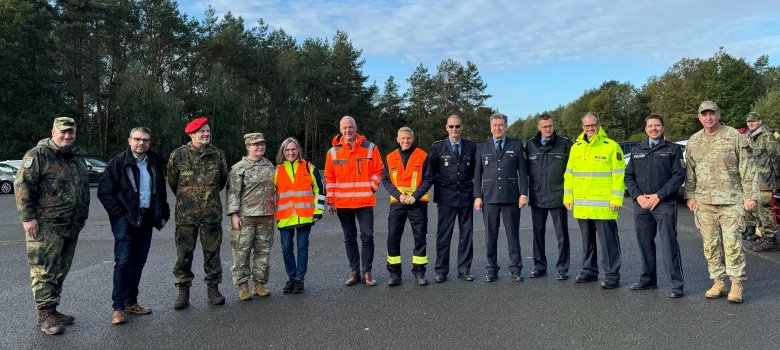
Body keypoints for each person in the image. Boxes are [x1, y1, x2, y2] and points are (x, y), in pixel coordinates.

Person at [15, 117, 90, 335]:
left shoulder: (75, 157)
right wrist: (27, 218)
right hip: (46, 225)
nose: (67, 136)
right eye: (63, 132)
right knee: (43, 270)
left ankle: (52, 309)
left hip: (71, 225)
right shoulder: (38, 155)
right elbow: (22, 186)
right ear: (53, 132)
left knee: (60, 270)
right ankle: (45, 315)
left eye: (71, 132)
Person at [685, 101, 759, 303]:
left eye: (712, 113)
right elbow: (690, 172)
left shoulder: (733, 136)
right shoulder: (694, 141)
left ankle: (736, 284)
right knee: (710, 245)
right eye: (704, 114)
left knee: (732, 244)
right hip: (704, 202)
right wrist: (690, 195)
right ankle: (718, 281)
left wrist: (750, 196)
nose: (708, 118)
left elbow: (747, 166)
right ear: (699, 117)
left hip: (731, 201)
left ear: (718, 114)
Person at [98, 127, 170, 324]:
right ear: (129, 140)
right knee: (123, 261)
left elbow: (160, 190)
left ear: (149, 142)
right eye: (137, 139)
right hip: (125, 220)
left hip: (146, 219)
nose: (141, 143)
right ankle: (118, 308)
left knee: (139, 261)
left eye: (145, 140)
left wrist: (163, 213)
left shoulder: (154, 162)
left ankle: (131, 302)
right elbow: (105, 191)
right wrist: (119, 215)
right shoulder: (118, 162)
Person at [167, 117, 228, 309]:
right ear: (192, 134)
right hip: (186, 215)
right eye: (202, 131)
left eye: (208, 131)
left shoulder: (218, 155)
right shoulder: (178, 155)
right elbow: (173, 182)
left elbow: (222, 181)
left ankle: (213, 288)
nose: (206, 134)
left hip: (211, 214)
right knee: (183, 254)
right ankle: (183, 290)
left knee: (212, 253)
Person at [624, 115, 685, 298]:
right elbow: (628, 177)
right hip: (641, 204)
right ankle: (648, 280)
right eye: (650, 126)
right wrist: (638, 196)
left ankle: (676, 284)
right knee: (644, 243)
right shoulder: (637, 150)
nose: (653, 128)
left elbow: (678, 176)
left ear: (663, 128)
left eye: (657, 125)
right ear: (645, 129)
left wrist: (659, 195)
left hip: (664, 204)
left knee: (669, 244)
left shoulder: (673, 149)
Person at [563, 112, 625, 289]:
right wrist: (568, 197)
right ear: (582, 127)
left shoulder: (611, 146)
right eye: (586, 126)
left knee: (608, 243)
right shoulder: (576, 147)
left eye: (593, 125)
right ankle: (589, 271)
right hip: (582, 205)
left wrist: (616, 199)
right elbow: (569, 174)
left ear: (599, 124)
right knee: (586, 242)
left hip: (604, 206)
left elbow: (619, 175)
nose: (590, 128)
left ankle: (612, 275)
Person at [325, 116, 384, 286]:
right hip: (343, 203)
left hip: (364, 201)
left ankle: (367, 273)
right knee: (349, 237)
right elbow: (330, 177)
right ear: (340, 129)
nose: (347, 130)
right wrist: (331, 200)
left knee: (367, 236)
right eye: (344, 128)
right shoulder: (333, 152)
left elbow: (378, 170)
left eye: (350, 127)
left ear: (356, 127)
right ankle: (355, 272)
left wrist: (371, 187)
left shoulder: (370, 148)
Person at [474, 113, 528, 282]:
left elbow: (523, 172)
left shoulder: (517, 145)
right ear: (491, 127)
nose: (498, 128)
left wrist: (523, 193)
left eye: (501, 125)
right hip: (489, 198)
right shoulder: (482, 146)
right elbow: (477, 174)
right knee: (491, 235)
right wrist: (477, 196)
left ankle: (516, 269)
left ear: (506, 126)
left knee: (513, 235)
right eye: (495, 125)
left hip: (511, 197)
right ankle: (491, 269)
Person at [226, 133, 276, 300]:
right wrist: (234, 215)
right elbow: (233, 193)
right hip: (245, 217)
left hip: (266, 215)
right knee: (241, 252)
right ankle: (242, 286)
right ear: (248, 146)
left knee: (263, 251)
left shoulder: (269, 166)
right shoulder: (239, 168)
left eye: (262, 144)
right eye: (256, 144)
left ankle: (259, 284)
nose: (260, 147)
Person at [382, 127, 433, 286]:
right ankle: (395, 274)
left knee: (420, 237)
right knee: (393, 237)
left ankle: (419, 272)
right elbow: (386, 180)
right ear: (397, 139)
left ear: (413, 138)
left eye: (408, 138)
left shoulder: (423, 156)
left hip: (417, 204)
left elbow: (428, 179)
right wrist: (399, 196)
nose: (405, 141)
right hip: (397, 203)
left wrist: (415, 196)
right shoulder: (390, 158)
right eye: (403, 138)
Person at [429, 114, 477, 283]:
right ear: (446, 127)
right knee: (444, 234)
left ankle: (464, 270)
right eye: (451, 126)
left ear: (462, 127)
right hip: (446, 197)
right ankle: (441, 270)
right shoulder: (438, 147)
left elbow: (476, 172)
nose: (454, 129)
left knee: (466, 234)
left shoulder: (471, 147)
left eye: (457, 126)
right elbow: (430, 172)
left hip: (465, 195)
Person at [274, 137, 325, 293]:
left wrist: (318, 210)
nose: (291, 152)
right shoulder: (276, 171)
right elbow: (270, 194)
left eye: (293, 149)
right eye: (287, 150)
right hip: (285, 216)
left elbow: (320, 190)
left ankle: (299, 279)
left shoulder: (309, 167)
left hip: (305, 215)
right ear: (283, 152)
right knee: (287, 249)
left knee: (302, 248)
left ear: (298, 151)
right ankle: (291, 277)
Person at [525, 114, 572, 280]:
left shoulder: (564, 143)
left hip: (558, 195)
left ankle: (562, 268)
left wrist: (569, 194)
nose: (548, 129)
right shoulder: (530, 145)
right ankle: (539, 267)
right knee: (538, 233)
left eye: (550, 126)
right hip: (537, 195)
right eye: (544, 126)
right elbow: (524, 171)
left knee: (562, 234)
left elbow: (571, 171)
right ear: (539, 127)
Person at [743, 112, 780, 251]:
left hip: (767, 179)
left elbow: (776, 156)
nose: (750, 123)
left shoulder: (767, 136)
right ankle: (764, 236)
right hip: (757, 179)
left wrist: (777, 178)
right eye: (748, 121)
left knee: (766, 208)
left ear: (760, 121)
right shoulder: (753, 137)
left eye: (753, 121)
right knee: (760, 209)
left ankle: (771, 239)